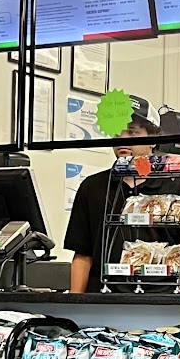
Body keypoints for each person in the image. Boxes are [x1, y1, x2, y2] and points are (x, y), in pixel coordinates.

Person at [64, 97, 160, 292]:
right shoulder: (92, 187)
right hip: (102, 299)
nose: (122, 139)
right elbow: (82, 255)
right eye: (117, 131)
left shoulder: (177, 187)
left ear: (153, 139)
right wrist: (74, 303)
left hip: (160, 299)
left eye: (132, 132)